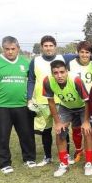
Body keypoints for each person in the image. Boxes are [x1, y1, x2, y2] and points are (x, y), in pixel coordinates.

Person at [0, 36, 36, 174]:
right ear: (3, 48)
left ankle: (29, 159)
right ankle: (5, 163)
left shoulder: (25, 62)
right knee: (1, 136)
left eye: (13, 49)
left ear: (18, 48)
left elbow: (32, 82)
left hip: (22, 105)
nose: (10, 52)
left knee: (27, 133)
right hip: (1, 106)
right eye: (7, 49)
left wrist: (32, 99)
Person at [27, 35, 75, 167]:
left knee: (62, 128)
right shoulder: (35, 61)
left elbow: (82, 55)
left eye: (51, 46)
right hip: (42, 100)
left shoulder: (64, 58)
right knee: (46, 130)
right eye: (45, 46)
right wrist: (29, 98)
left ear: (55, 46)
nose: (48, 48)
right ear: (42, 47)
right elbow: (31, 79)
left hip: (61, 100)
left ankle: (66, 154)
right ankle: (47, 156)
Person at [43, 60, 92, 177]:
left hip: (82, 107)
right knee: (60, 132)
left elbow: (87, 101)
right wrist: (57, 122)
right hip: (66, 107)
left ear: (67, 71)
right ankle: (64, 164)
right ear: (52, 74)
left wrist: (86, 121)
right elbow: (50, 102)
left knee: (87, 131)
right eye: (55, 73)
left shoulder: (75, 80)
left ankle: (89, 163)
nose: (59, 75)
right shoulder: (47, 81)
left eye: (62, 72)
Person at [67, 41, 92, 163]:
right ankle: (78, 151)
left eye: (87, 52)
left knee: (91, 128)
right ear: (78, 53)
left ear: (91, 54)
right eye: (82, 52)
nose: (84, 55)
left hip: (91, 102)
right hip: (76, 102)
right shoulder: (71, 64)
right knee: (76, 128)